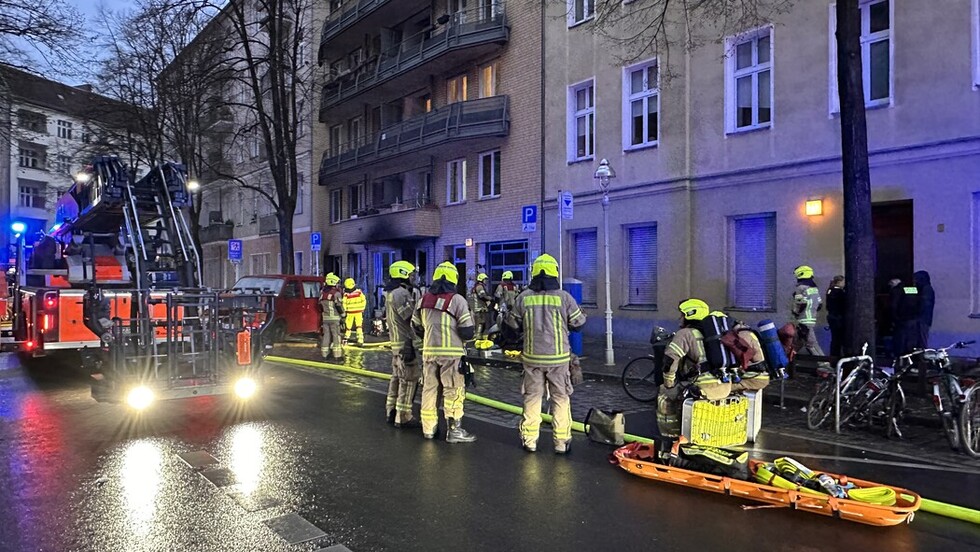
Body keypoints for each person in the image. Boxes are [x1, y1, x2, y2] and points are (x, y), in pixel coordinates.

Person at [509, 254, 586, 454]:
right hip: (558, 359)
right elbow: (578, 324)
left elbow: (512, 326)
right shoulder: (564, 297)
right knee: (560, 398)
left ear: (534, 273)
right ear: (555, 273)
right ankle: (561, 443)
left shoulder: (523, 297)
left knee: (532, 398)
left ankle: (530, 441)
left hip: (532, 358)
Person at [412, 262, 477, 443]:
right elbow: (467, 331)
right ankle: (454, 431)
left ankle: (428, 429)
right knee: (453, 390)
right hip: (452, 355)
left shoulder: (423, 300)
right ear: (453, 280)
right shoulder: (457, 300)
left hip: (429, 352)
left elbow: (416, 326)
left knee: (430, 390)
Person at [658, 299, 731, 436]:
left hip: (704, 388)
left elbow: (670, 359)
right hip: (725, 386)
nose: (679, 318)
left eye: (682, 315)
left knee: (665, 395)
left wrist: (668, 383)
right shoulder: (714, 334)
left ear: (690, 315)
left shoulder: (685, 333)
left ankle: (670, 434)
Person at [384, 261, 423, 428]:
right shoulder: (401, 293)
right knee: (409, 379)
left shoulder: (391, 292)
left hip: (396, 343)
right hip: (406, 344)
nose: (413, 278)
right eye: (411, 275)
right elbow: (410, 318)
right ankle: (403, 416)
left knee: (396, 378)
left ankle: (391, 411)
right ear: (403, 275)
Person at [791, 265, 831, 373]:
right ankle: (788, 362)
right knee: (797, 344)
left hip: (803, 320)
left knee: (811, 344)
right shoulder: (814, 289)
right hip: (811, 320)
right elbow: (819, 305)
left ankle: (824, 365)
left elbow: (799, 304)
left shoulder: (800, 288)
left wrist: (795, 312)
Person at [891, 278, 921, 357]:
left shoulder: (896, 291)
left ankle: (900, 355)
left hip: (903, 318)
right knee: (911, 337)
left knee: (901, 338)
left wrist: (895, 318)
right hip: (914, 317)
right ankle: (910, 354)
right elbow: (918, 301)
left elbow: (894, 305)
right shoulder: (911, 289)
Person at [318, 273, 345, 361]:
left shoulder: (322, 293)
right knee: (336, 336)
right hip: (335, 319)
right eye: (337, 283)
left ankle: (324, 354)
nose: (338, 285)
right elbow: (339, 306)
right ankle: (337, 355)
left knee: (326, 336)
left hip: (325, 319)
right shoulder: (336, 294)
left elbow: (319, 306)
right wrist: (343, 315)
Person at [826, 275, 846, 358]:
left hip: (832, 317)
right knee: (838, 339)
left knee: (835, 339)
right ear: (840, 282)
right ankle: (837, 358)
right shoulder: (839, 292)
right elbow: (844, 305)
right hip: (838, 318)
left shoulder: (830, 290)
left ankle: (834, 357)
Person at [342, 277, 366, 346]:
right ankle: (360, 339)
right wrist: (362, 308)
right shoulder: (359, 292)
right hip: (359, 312)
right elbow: (364, 300)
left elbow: (344, 303)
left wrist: (345, 310)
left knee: (348, 326)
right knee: (359, 326)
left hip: (350, 312)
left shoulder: (346, 294)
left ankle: (346, 337)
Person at [914, 270, 935, 349]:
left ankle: (923, 353)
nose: (915, 282)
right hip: (923, 318)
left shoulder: (926, 289)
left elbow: (924, 304)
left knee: (922, 338)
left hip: (923, 318)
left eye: (916, 279)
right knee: (921, 338)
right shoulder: (924, 288)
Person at [469, 272, 492, 339]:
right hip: (479, 308)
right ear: (481, 279)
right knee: (480, 323)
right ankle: (478, 337)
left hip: (479, 308)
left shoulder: (477, 286)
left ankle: (479, 336)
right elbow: (482, 296)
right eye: (485, 279)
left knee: (481, 323)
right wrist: (490, 298)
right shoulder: (479, 287)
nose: (486, 281)